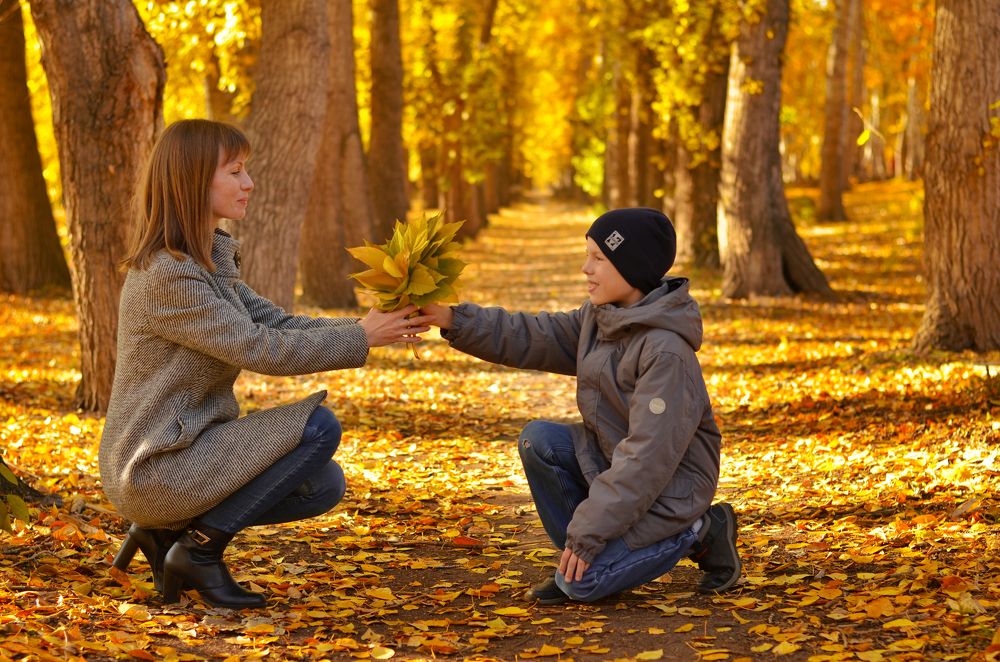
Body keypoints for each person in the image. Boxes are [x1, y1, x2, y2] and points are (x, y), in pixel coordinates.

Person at [100, 119, 432, 609]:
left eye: (246, 171)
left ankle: (164, 535)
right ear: (193, 180)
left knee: (322, 484)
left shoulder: (206, 261)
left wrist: (367, 328)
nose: (249, 183)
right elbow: (259, 348)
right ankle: (198, 550)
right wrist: (362, 337)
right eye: (235, 172)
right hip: (154, 465)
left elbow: (275, 322)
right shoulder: (168, 276)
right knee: (317, 427)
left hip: (188, 448)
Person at [421, 208, 741, 604]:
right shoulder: (600, 319)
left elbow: (645, 461)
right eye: (587, 254)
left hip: (668, 494)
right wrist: (452, 318)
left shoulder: (666, 353)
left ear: (632, 267)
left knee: (580, 585)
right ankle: (590, 551)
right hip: (617, 468)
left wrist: (588, 534)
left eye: (599, 259)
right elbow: (532, 335)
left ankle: (699, 529)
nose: (585, 268)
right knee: (539, 440)